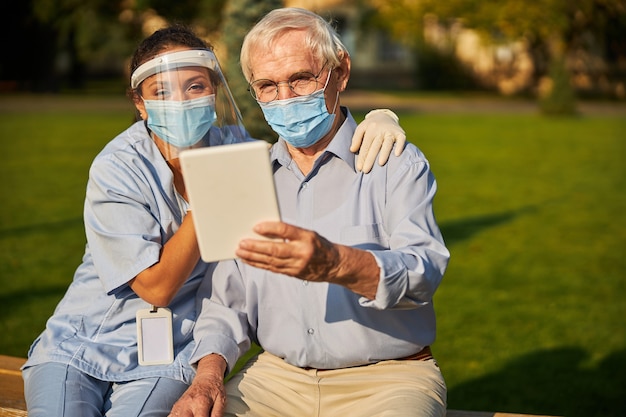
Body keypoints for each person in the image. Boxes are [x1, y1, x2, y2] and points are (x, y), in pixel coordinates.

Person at [21, 23, 407, 417]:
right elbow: (156, 288)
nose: (182, 100)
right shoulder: (118, 166)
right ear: (140, 104)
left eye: (195, 87)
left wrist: (379, 117)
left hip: (173, 351)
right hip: (82, 342)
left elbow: (298, 132)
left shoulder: (236, 148)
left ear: (214, 90)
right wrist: (213, 192)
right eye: (162, 91)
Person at [171, 7, 450, 417]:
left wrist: (337, 263)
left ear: (340, 72)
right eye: (267, 85)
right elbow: (226, 304)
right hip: (278, 379)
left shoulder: (393, 161)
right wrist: (208, 377)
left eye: (301, 78)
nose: (285, 99)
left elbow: (423, 272)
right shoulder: (248, 176)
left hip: (389, 379)